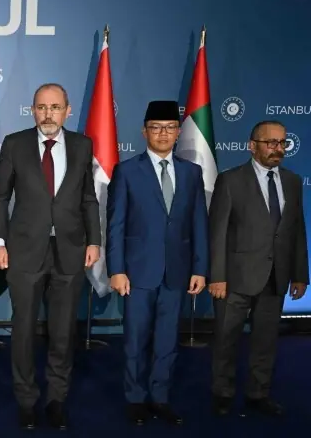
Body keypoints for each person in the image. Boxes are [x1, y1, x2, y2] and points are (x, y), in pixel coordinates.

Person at [0, 83, 101, 430]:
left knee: (63, 332)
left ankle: (56, 400)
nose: (48, 114)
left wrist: (94, 241)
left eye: (54, 107)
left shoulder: (82, 145)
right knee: (23, 330)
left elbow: (88, 198)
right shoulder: (15, 144)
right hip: (24, 251)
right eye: (41, 107)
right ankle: (26, 401)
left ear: (67, 111)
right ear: (32, 111)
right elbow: (0, 197)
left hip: (70, 250)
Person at [105, 100, 208, 426]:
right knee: (136, 340)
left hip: (177, 272)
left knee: (167, 340)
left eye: (169, 127)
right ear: (144, 132)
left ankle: (160, 397)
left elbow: (198, 223)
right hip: (137, 273)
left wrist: (200, 268)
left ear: (178, 132)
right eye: (156, 127)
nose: (163, 133)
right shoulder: (126, 171)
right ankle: (135, 399)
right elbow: (116, 225)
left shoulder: (192, 172)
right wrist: (116, 269)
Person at [208, 120, 308, 417]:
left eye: (282, 143)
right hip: (235, 279)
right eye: (271, 143)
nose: (278, 149)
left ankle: (258, 393)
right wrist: (217, 276)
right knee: (226, 340)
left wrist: (300, 274)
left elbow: (297, 230)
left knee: (266, 342)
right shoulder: (230, 180)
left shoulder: (292, 181)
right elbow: (218, 233)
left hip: (276, 277)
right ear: (252, 146)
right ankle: (223, 393)